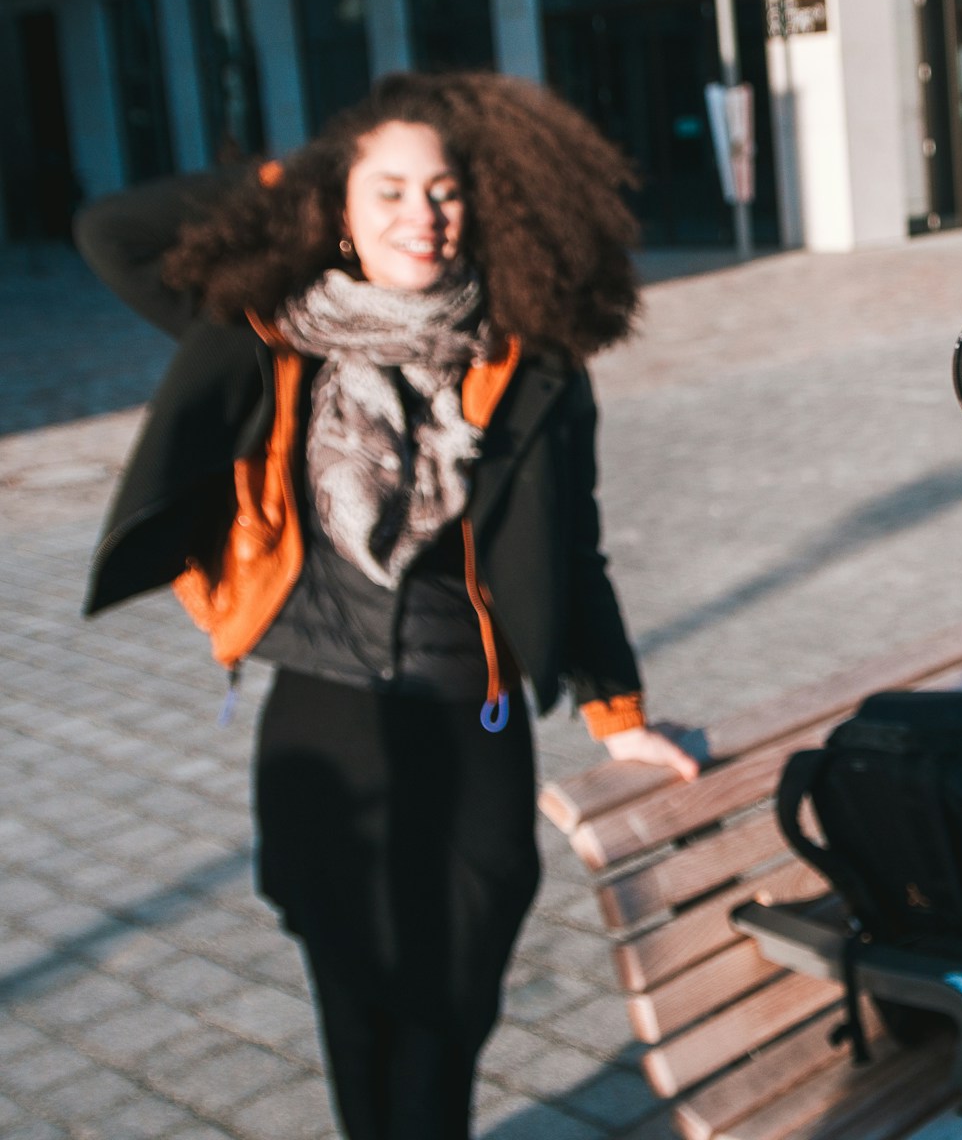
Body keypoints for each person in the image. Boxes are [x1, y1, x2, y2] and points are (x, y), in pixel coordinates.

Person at [77, 71, 699, 1140]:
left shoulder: (527, 357)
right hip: (327, 703)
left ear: (484, 205)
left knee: (458, 983)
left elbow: (577, 550)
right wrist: (297, 179)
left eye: (445, 190)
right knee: (354, 987)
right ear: (341, 211)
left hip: (474, 712)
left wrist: (620, 718)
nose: (423, 216)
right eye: (390, 191)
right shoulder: (273, 330)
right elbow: (112, 232)